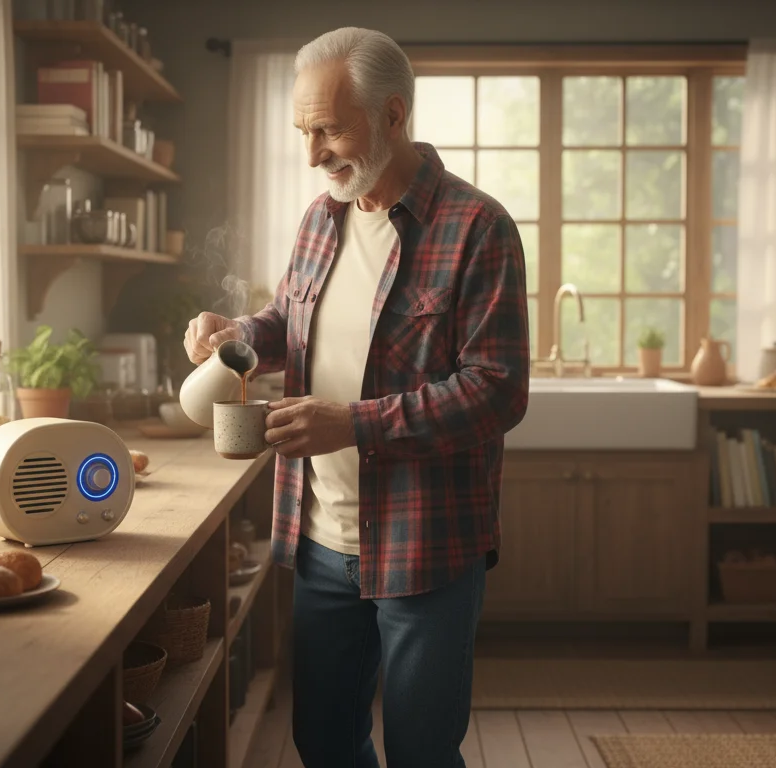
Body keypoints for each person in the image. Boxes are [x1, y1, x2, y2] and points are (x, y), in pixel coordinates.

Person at [183, 26, 529, 768]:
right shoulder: (321, 217)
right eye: (304, 131)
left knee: (421, 751)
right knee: (326, 739)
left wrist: (352, 424)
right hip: (319, 539)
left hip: (425, 544)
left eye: (329, 130)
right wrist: (233, 333)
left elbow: (496, 392)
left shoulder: (479, 228)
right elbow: (289, 322)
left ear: (394, 116)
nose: (313, 154)